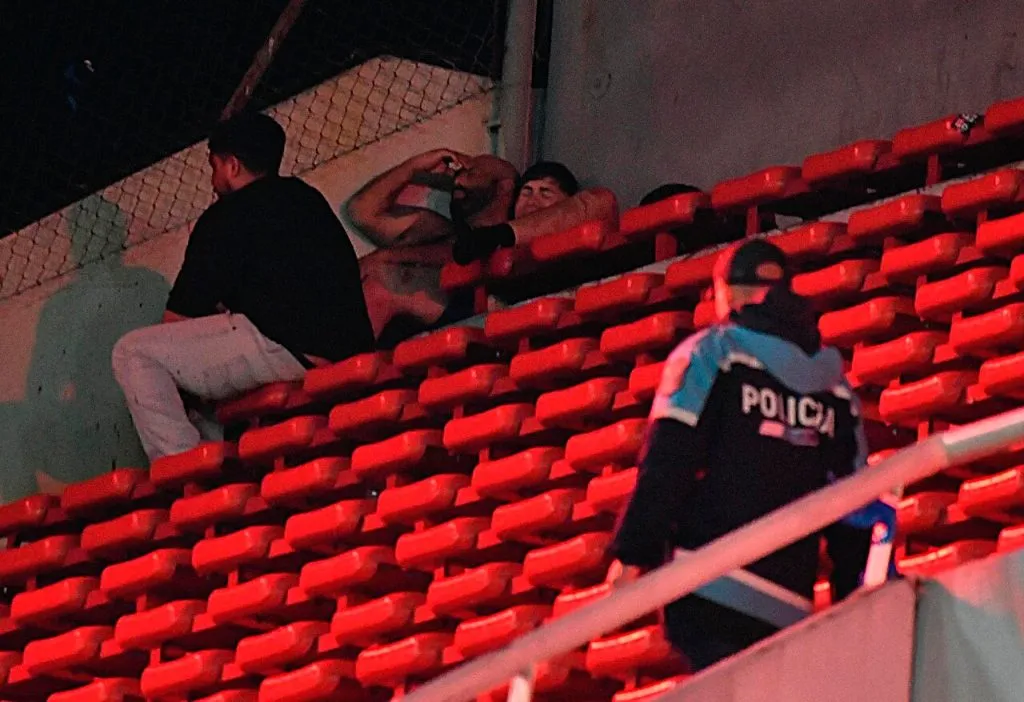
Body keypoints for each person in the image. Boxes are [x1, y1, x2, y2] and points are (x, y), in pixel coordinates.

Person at [606, 239, 887, 671]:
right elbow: (853, 504)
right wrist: (856, 598)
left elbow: (671, 457)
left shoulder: (712, 353)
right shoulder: (836, 388)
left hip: (707, 583)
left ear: (729, 294)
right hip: (789, 600)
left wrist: (634, 553)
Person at [113, 112, 374, 461]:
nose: (213, 179)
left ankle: (184, 469)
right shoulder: (306, 197)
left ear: (232, 166)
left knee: (136, 353)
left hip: (286, 349)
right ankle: (218, 468)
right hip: (347, 348)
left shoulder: (225, 215)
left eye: (215, 167)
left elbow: (177, 319)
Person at [348, 150, 617, 343]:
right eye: (528, 192)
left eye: (545, 192)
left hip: (530, 324)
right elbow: (363, 211)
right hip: (469, 320)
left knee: (387, 276)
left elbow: (598, 203)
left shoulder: (575, 223)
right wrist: (415, 166)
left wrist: (496, 236)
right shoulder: (443, 232)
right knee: (380, 282)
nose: (459, 175)